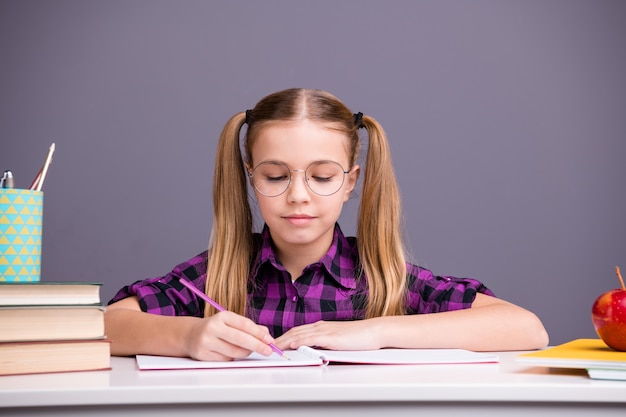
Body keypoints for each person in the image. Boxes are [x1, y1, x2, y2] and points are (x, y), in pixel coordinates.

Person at [105, 88, 548, 361]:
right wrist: (189, 336)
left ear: (350, 181)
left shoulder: (383, 279)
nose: (298, 194)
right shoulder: (218, 273)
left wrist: (375, 331)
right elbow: (105, 326)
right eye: (276, 176)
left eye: (321, 176)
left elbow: (525, 327)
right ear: (252, 177)